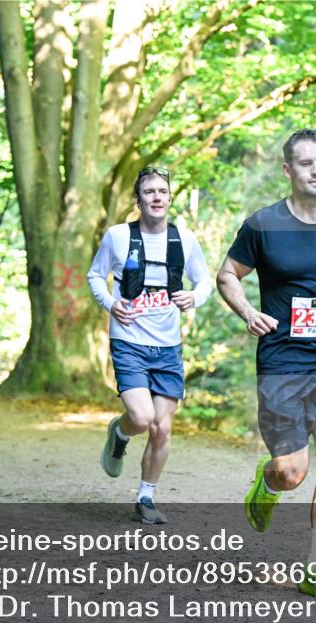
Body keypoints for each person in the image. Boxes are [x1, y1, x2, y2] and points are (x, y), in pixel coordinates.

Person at [216, 129, 316, 600]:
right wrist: (248, 311)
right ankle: (266, 484)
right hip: (281, 359)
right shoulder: (263, 225)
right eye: (305, 164)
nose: (315, 171)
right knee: (292, 471)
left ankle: (315, 568)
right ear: (288, 171)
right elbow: (229, 274)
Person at [87, 167, 212, 525]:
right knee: (142, 418)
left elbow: (204, 280)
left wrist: (193, 297)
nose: (156, 197)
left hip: (168, 345)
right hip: (129, 340)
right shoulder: (117, 236)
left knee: (162, 428)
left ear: (169, 197)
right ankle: (120, 431)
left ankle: (145, 497)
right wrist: (111, 304)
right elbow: (96, 275)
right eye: (149, 192)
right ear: (138, 200)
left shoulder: (184, 240)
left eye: (162, 191)